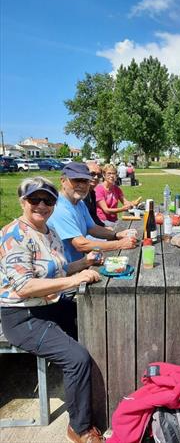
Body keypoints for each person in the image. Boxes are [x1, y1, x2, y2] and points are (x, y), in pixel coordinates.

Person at [0, 177, 105, 443]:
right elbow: (24, 286)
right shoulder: (13, 235)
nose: (42, 205)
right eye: (35, 199)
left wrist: (84, 263)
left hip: (51, 305)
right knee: (77, 358)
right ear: (23, 201)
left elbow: (58, 270)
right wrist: (73, 281)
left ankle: (103, 391)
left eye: (48, 200)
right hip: (22, 316)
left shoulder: (49, 231)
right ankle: (79, 428)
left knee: (99, 323)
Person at [48, 162, 137, 263]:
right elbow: (81, 244)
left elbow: (92, 228)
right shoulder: (59, 207)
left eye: (86, 181)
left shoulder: (79, 202)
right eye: (76, 180)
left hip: (80, 263)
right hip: (64, 270)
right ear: (63, 181)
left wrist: (116, 235)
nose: (81, 185)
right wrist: (120, 244)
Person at [84, 161, 105, 227]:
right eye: (92, 174)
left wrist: (103, 226)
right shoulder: (80, 195)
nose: (96, 177)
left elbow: (93, 216)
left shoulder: (92, 193)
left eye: (99, 175)